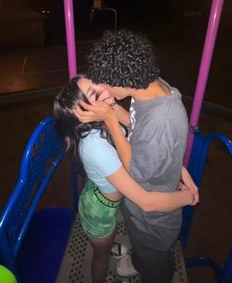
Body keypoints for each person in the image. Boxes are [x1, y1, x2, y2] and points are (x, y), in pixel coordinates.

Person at [74, 29, 199, 283]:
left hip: (152, 223)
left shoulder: (161, 119)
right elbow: (136, 127)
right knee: (142, 254)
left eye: (104, 83)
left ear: (121, 79)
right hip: (139, 216)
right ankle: (138, 261)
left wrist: (109, 119)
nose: (103, 89)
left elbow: (137, 172)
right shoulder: (149, 89)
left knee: (155, 268)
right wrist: (110, 110)